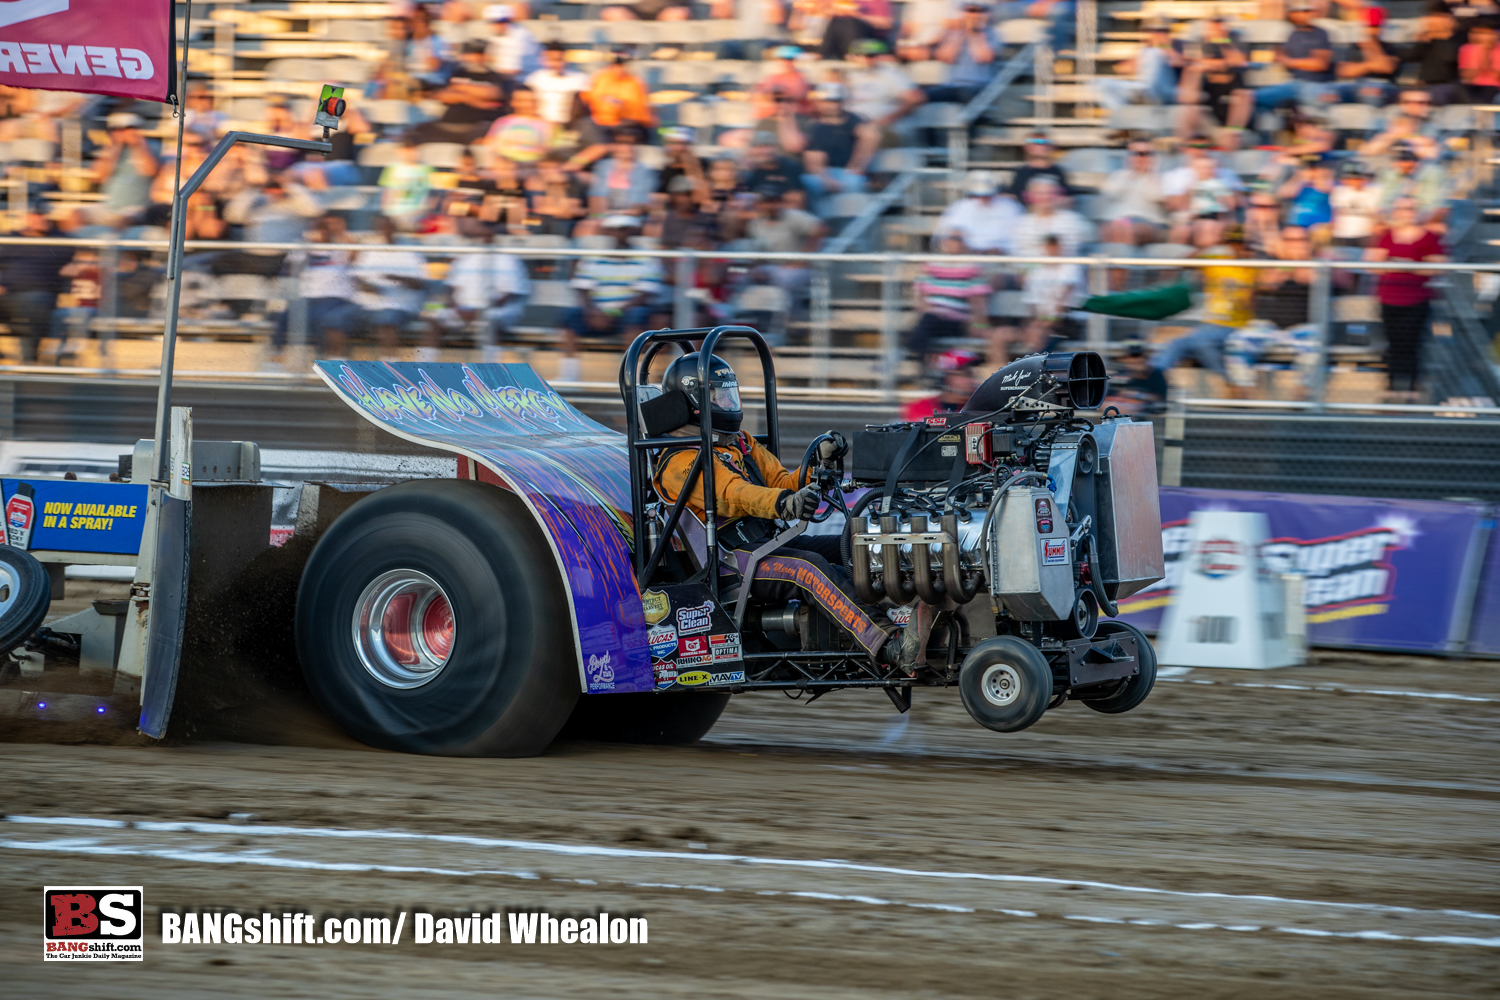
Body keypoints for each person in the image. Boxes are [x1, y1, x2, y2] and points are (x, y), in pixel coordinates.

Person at [652, 351, 926, 668]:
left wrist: (816, 466)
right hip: (732, 559)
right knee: (807, 569)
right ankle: (890, 644)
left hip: (767, 540)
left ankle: (899, 610)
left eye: (730, 396)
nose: (728, 405)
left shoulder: (738, 443)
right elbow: (733, 493)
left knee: (851, 546)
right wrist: (782, 504)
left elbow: (781, 480)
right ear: (694, 402)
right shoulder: (680, 460)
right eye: (719, 397)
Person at [560, 215, 666, 380]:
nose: (619, 234)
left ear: (632, 232)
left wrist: (614, 313)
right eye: (615, 230)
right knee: (569, 317)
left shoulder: (646, 258)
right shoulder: (594, 257)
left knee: (637, 317)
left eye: (623, 230)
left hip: (626, 313)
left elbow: (645, 295)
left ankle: (634, 378)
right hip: (597, 313)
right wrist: (593, 311)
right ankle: (569, 375)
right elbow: (582, 289)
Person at [1223, 226, 1324, 397]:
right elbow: (1267, 283)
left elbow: (1309, 277)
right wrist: (1285, 263)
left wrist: (1296, 262)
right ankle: (1243, 392)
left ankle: (1303, 395)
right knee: (1237, 342)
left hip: (1303, 328)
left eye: (1299, 240)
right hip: (1269, 327)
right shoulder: (1271, 262)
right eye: (1289, 241)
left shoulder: (1315, 263)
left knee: (1315, 345)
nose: (1294, 245)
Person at [1366, 196, 1445, 400]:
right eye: (1401, 209)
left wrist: (1399, 264)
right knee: (1393, 343)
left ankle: (1410, 387)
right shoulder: (1387, 235)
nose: (1405, 213)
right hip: (1389, 297)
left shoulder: (1428, 237)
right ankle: (1393, 386)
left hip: (1416, 298)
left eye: (1410, 209)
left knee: (1411, 343)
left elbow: (1437, 266)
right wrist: (1410, 264)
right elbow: (1373, 263)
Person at [1153, 224, 1257, 377]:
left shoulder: (1254, 266)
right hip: (1211, 325)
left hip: (1235, 326)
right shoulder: (1218, 260)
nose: (1240, 248)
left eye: (1244, 244)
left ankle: (1226, 379)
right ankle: (1152, 378)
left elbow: (1253, 297)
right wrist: (1211, 246)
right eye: (1235, 243)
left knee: (1200, 342)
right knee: (1178, 344)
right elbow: (1184, 263)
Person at [0, 207, 72, 363]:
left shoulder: (60, 240)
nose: (42, 218)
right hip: (9, 296)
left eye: (43, 214)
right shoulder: (10, 239)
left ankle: (29, 359)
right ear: (25, 218)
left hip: (39, 297)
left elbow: (85, 254)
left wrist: (79, 263)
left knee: (35, 302)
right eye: (36, 215)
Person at [353, 216, 430, 358]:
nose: (385, 231)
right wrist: (370, 288)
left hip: (401, 305)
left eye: (388, 227)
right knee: (335, 318)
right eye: (381, 228)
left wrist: (396, 277)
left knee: (387, 318)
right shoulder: (369, 250)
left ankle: (390, 364)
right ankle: (337, 364)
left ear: (395, 229)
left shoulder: (411, 250)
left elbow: (420, 284)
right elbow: (357, 279)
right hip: (368, 305)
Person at [794, 83, 880, 208]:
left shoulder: (851, 119)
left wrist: (856, 167)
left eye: (836, 101)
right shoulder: (814, 126)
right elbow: (814, 159)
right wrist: (827, 180)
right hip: (823, 173)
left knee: (855, 183)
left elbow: (871, 136)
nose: (832, 105)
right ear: (819, 102)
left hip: (848, 172)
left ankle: (853, 223)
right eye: (827, 101)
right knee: (807, 183)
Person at [445, 238, 532, 362]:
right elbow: (451, 287)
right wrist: (455, 306)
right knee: (432, 316)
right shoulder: (466, 257)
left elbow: (510, 294)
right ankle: (425, 367)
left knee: (491, 322)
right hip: (464, 308)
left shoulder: (508, 259)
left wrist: (480, 311)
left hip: (498, 310)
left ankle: (490, 369)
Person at [907, 236, 992, 361]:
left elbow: (978, 301)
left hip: (956, 320)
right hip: (933, 317)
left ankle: (917, 358)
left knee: (923, 326)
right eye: (949, 240)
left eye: (957, 240)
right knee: (927, 322)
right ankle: (921, 360)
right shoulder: (931, 266)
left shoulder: (971, 269)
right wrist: (927, 309)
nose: (952, 244)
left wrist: (979, 324)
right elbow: (920, 295)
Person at [416, 39, 511, 144]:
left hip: (479, 127)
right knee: (420, 130)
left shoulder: (495, 77)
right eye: (468, 53)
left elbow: (492, 93)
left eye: (476, 54)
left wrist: (459, 88)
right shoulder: (457, 73)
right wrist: (471, 98)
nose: (470, 58)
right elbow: (443, 95)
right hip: (448, 125)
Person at [1254, 1, 1335, 112]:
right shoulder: (1291, 34)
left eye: (1307, 11)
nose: (1306, 14)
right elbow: (1279, 59)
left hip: (1314, 85)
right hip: (1294, 84)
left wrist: (1289, 61)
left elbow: (1320, 64)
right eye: (1302, 11)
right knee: (1254, 100)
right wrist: (1279, 57)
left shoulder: (1320, 33)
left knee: (1250, 96)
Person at [1176, 14, 1252, 132]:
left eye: (1219, 22)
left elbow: (1240, 61)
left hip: (1231, 80)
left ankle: (1233, 133)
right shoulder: (1202, 40)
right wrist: (1222, 63)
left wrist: (1222, 40)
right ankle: (1187, 130)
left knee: (1242, 94)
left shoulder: (1233, 37)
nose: (1216, 26)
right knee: (1192, 72)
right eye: (1213, 23)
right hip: (1210, 80)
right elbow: (1196, 61)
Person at [844, 39, 926, 144]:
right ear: (851, 57)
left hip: (884, 126)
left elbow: (916, 99)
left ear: (880, 57)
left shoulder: (891, 75)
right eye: (860, 55)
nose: (866, 59)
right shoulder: (845, 75)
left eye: (871, 56)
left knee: (867, 133)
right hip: (851, 125)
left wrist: (884, 121)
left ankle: (855, 160)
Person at [1097, 18, 1181, 112]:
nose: (1156, 34)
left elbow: (1179, 62)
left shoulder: (1176, 44)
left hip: (1165, 90)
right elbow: (1122, 69)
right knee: (1100, 83)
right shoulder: (1145, 49)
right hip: (1142, 89)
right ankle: (1122, 115)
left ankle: (1145, 94)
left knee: (1154, 53)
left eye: (1161, 31)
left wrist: (1164, 47)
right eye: (1153, 31)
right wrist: (1139, 57)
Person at [933, 169, 1023, 253]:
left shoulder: (1011, 207)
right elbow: (944, 238)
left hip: (1004, 257)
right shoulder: (959, 207)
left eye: (987, 195)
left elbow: (1019, 238)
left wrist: (1000, 250)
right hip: (968, 256)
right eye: (976, 195)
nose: (982, 199)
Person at [1100, 141, 1168, 247]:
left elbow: (1156, 196)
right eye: (1136, 153)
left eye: (1146, 154)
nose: (1141, 158)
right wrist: (1132, 175)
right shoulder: (1118, 175)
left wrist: (1149, 173)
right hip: (1120, 220)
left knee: (1127, 229)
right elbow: (1110, 193)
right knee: (1108, 229)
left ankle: (1125, 262)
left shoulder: (1160, 178)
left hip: (1149, 222)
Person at [93, 112, 159, 221]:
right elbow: (98, 177)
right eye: (115, 129)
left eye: (127, 128)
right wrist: (115, 147)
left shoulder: (151, 146)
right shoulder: (109, 149)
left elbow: (151, 171)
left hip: (137, 207)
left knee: (122, 220)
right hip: (109, 206)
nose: (120, 132)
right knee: (74, 215)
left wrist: (137, 145)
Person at [929, 3, 1000, 103]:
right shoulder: (953, 32)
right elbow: (946, 57)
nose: (974, 15)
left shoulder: (993, 33)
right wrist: (960, 33)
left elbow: (983, 57)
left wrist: (974, 33)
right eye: (970, 11)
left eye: (979, 11)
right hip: (952, 85)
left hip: (978, 86)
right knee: (921, 96)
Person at [1335, 4, 1401, 106]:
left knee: (1372, 93)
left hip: (1383, 85)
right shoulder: (1356, 46)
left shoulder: (1389, 47)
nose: (1373, 29)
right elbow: (1345, 71)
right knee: (1333, 93)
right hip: (1358, 85)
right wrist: (1371, 65)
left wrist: (1371, 47)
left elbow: (1388, 68)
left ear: (1382, 27)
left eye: (1376, 26)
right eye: (1370, 26)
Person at [583, 52, 656, 143]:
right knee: (588, 127)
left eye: (622, 65)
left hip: (628, 125)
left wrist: (618, 105)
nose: (619, 68)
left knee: (628, 134)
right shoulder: (600, 79)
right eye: (616, 65)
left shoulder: (635, 82)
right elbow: (589, 101)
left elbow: (638, 111)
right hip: (603, 124)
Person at [1013, 175, 1092, 259]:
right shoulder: (1020, 223)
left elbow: (1072, 253)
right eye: (1040, 193)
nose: (1045, 197)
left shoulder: (1074, 221)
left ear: (1059, 194)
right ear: (1029, 196)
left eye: (1050, 193)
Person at [586, 129, 659, 219]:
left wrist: (617, 214)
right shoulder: (603, 166)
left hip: (632, 218)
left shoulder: (645, 170)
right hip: (603, 217)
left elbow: (637, 207)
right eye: (621, 143)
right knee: (587, 226)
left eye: (631, 144)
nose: (626, 148)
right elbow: (596, 198)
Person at [1403, 3, 1463, 105]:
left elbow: (1448, 58)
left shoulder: (1458, 36)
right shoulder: (1427, 37)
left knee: (1435, 94)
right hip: (1425, 84)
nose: (1432, 21)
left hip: (1448, 85)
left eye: (1437, 16)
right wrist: (1422, 40)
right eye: (1431, 16)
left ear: (1448, 18)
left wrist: (1439, 35)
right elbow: (1410, 57)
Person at [902, 347, 984, 420]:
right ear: (944, 378)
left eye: (973, 375)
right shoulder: (920, 408)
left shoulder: (982, 408)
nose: (972, 381)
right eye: (965, 375)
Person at [526, 43, 591, 131]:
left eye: (559, 60)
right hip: (541, 125)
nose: (556, 64)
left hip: (571, 126)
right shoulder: (535, 79)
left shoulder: (581, 79)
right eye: (551, 60)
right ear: (543, 60)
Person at [1362, 89, 1442, 161]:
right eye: (1407, 102)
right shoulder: (1384, 122)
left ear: (1429, 105)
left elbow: (1431, 154)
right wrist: (1392, 135)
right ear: (1400, 104)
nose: (1414, 106)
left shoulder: (1431, 125)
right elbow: (1367, 151)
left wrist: (1408, 135)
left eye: (1421, 102)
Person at [485, 86, 553, 164]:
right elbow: (490, 146)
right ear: (512, 102)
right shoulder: (502, 122)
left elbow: (550, 151)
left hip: (532, 167)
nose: (528, 105)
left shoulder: (547, 124)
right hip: (503, 166)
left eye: (532, 101)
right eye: (522, 101)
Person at [378, 139, 435, 230]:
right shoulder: (392, 168)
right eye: (408, 150)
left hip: (419, 215)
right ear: (400, 151)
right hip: (395, 214)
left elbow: (432, 196)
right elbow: (386, 193)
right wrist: (387, 213)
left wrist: (424, 211)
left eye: (414, 150)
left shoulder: (426, 169)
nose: (411, 153)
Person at [1102, 343, 1168, 416]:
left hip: (1147, 415)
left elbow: (1160, 400)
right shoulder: (1119, 374)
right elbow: (1107, 397)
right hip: (1118, 412)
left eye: (1139, 356)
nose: (1136, 360)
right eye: (1132, 357)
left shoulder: (1155, 374)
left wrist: (1136, 395)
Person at [1005, 133, 1073, 200]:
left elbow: (1066, 197)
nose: (1039, 145)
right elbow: (1014, 195)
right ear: (1026, 147)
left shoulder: (1058, 171)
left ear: (1051, 146)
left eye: (1044, 142)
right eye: (1033, 142)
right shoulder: (1021, 171)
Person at [1329, 160, 1380, 249]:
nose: (1354, 181)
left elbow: (1377, 214)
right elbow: (1336, 212)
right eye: (1350, 178)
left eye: (1357, 178)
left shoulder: (1375, 191)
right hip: (1342, 233)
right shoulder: (1339, 191)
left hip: (1365, 234)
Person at [484, 4, 541, 79]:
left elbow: (515, 70)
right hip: (503, 78)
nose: (498, 25)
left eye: (503, 21)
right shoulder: (495, 37)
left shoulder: (522, 36)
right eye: (493, 22)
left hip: (526, 78)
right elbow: (489, 60)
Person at [1459, 20, 1500, 103]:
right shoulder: (1466, 49)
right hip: (1472, 87)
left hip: (1495, 88)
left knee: (1489, 91)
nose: (1481, 37)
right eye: (1478, 33)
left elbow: (1497, 76)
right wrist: (1480, 50)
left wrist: (1486, 52)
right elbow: (1467, 76)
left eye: (1486, 33)